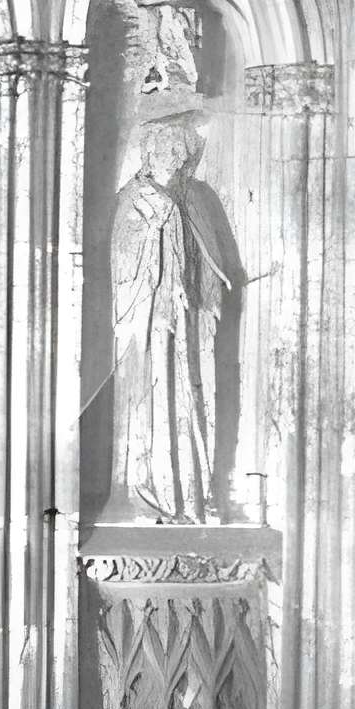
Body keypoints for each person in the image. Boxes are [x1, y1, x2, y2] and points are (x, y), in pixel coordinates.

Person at [110, 114, 235, 523]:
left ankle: (189, 493)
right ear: (149, 154)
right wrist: (152, 236)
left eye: (177, 153)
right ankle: (149, 489)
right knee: (150, 397)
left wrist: (207, 294)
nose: (171, 159)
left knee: (186, 396)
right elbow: (122, 261)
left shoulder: (195, 197)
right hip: (148, 320)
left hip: (185, 324)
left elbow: (207, 255)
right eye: (162, 151)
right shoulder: (134, 198)